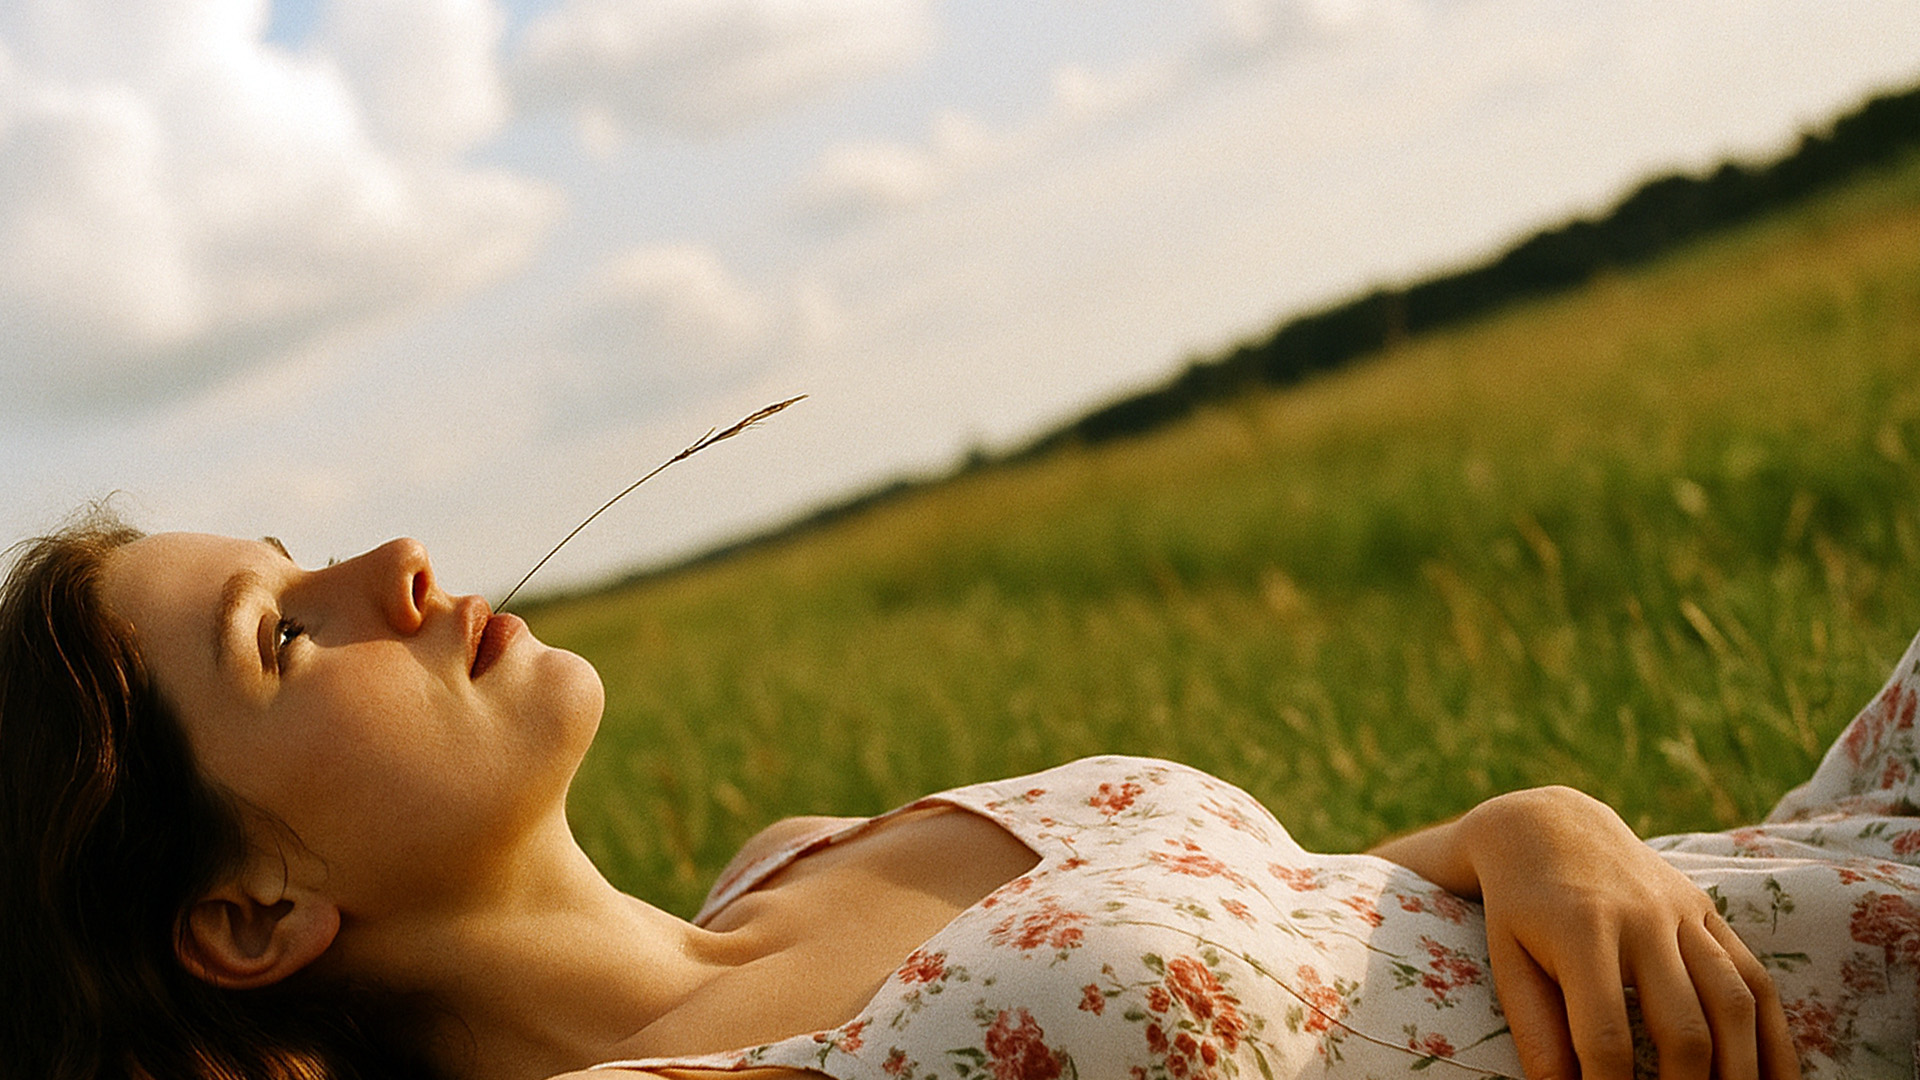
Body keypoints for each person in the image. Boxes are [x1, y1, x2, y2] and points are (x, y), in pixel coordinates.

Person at [0, 511, 1913, 1080]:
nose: (394, 565)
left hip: (1840, 845)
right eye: (283, 638)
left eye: (291, 551)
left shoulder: (802, 857)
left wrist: (1531, 828)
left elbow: (1323, 903)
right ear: (248, 914)